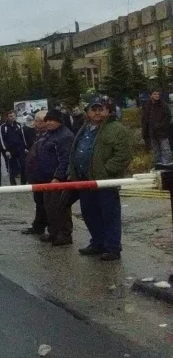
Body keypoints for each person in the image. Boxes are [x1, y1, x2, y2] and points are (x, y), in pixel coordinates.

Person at [67, 101, 133, 261]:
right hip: (84, 179)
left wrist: (106, 171)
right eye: (93, 109)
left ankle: (112, 248)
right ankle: (97, 242)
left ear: (107, 111)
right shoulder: (84, 128)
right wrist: (72, 171)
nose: (97, 113)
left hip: (105, 181)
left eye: (100, 109)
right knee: (89, 213)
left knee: (109, 214)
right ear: (87, 112)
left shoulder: (117, 129)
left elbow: (123, 155)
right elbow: (76, 150)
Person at [37, 110, 75, 246]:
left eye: (51, 120)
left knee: (61, 207)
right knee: (49, 207)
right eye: (46, 120)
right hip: (46, 177)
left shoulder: (65, 136)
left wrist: (58, 176)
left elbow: (65, 158)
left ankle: (65, 234)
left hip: (58, 179)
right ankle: (53, 232)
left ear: (59, 121)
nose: (48, 123)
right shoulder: (48, 134)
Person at [21, 111, 50, 237]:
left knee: (46, 203)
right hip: (37, 176)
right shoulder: (39, 135)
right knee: (39, 202)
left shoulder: (49, 136)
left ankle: (50, 229)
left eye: (38, 121)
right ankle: (38, 226)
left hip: (45, 176)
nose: (35, 123)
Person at [0, 111, 30, 185]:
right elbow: (2, 139)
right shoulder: (3, 126)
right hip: (10, 150)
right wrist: (5, 150)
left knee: (23, 165)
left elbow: (22, 137)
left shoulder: (18, 125)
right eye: (10, 116)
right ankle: (13, 182)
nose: (12, 117)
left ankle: (23, 182)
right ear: (7, 117)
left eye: (13, 115)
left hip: (20, 148)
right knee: (11, 166)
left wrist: (25, 147)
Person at [142, 89, 172, 166]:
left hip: (162, 132)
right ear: (150, 95)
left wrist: (160, 126)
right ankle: (158, 165)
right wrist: (145, 130)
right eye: (155, 94)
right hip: (151, 131)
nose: (157, 96)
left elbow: (167, 116)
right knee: (155, 149)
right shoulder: (147, 105)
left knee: (165, 148)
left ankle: (167, 165)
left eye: (158, 94)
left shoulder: (163, 104)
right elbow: (145, 118)